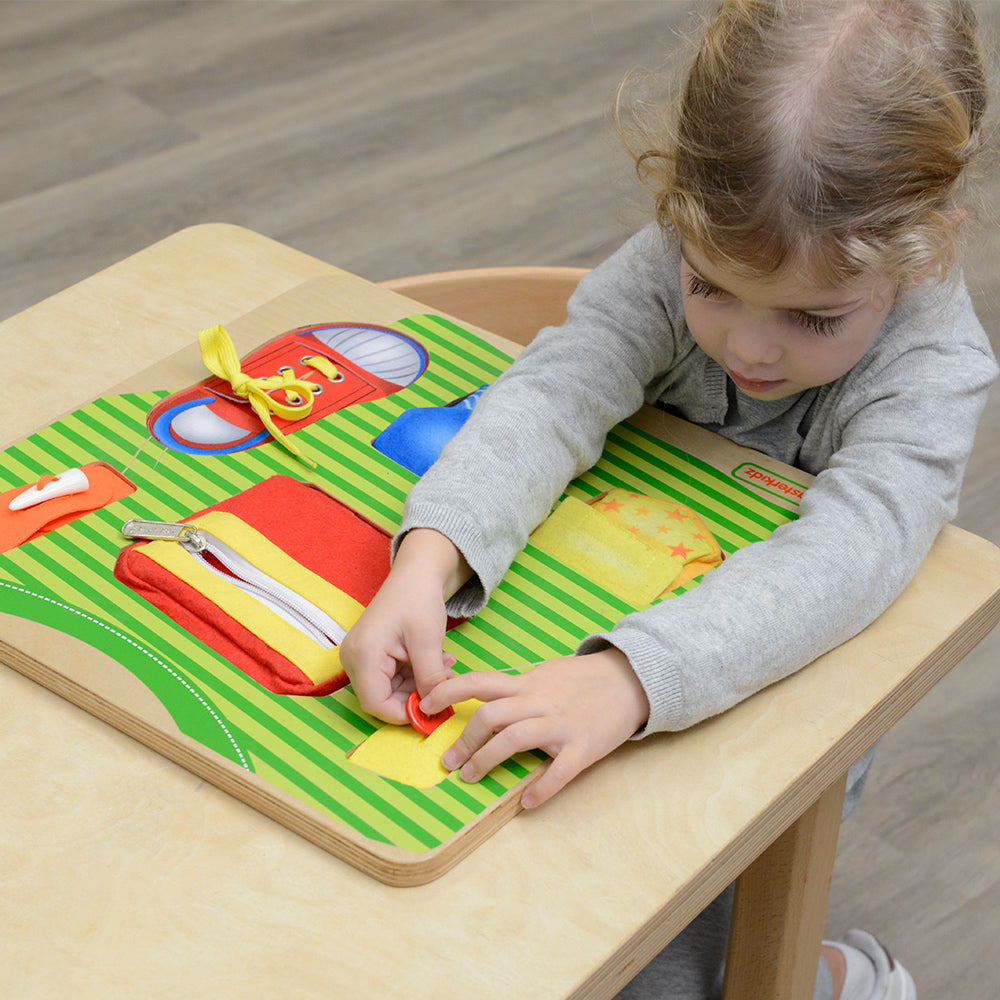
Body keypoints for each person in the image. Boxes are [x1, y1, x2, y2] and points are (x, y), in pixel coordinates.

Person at [341, 1, 997, 997]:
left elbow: (849, 558)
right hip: (600, 622)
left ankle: (825, 979)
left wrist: (629, 679)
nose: (749, 346)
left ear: (927, 249)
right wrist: (430, 558)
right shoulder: (676, 251)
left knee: (676, 960)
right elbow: (555, 392)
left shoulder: (935, 370)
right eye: (711, 287)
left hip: (776, 693)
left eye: (814, 318)